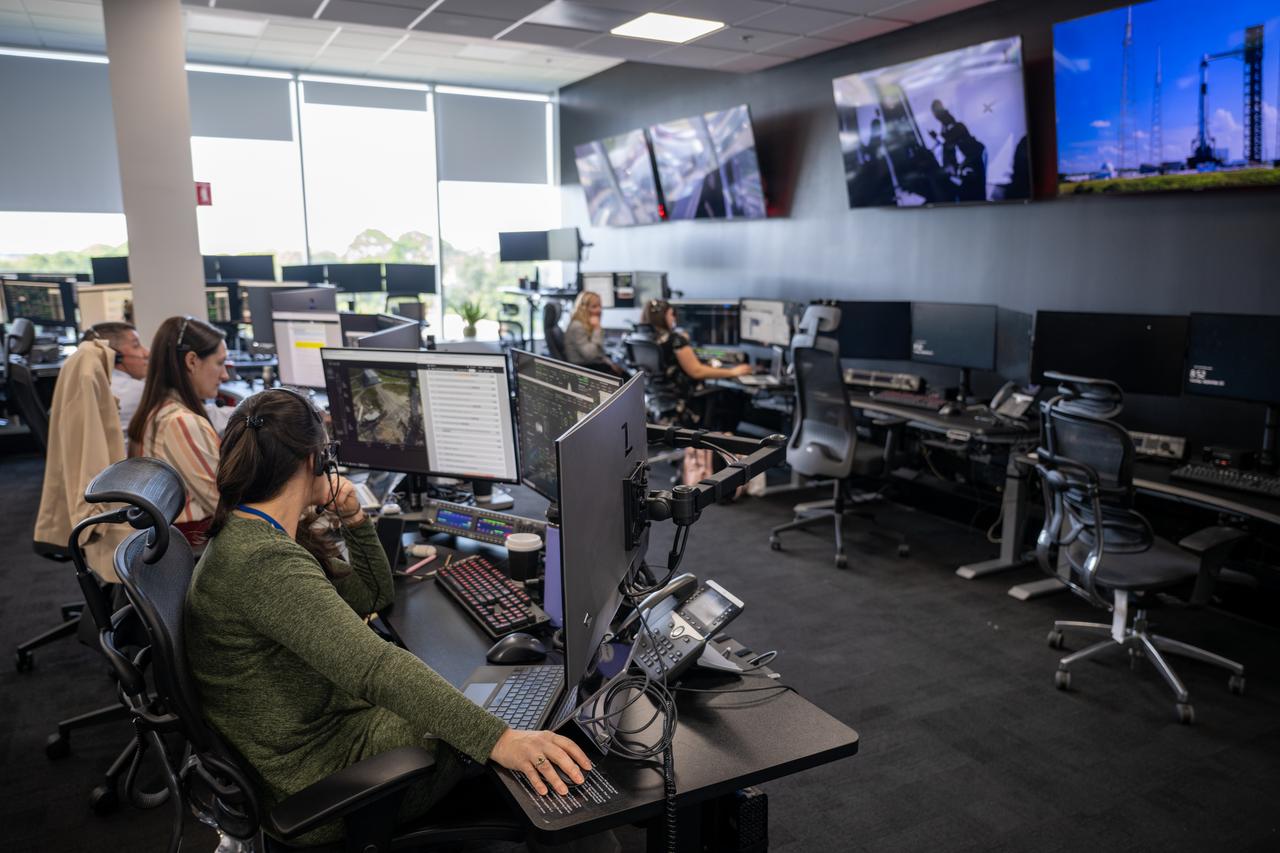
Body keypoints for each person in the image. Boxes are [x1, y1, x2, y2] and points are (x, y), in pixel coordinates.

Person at [185, 389, 593, 846]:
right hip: (320, 776)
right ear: (313, 461)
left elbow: (371, 595)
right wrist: (499, 739)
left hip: (312, 737)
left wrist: (356, 518)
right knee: (527, 732)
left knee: (477, 699)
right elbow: (375, 668)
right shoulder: (263, 563)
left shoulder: (254, 532)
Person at [128, 315, 228, 545]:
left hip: (169, 545)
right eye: (220, 363)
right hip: (196, 548)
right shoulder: (181, 423)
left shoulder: (157, 410)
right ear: (192, 361)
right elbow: (224, 504)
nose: (225, 375)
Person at [640, 299, 750, 431]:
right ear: (663, 317)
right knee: (734, 396)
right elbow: (697, 371)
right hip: (683, 406)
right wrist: (733, 372)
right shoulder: (675, 340)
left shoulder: (638, 337)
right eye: (671, 314)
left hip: (655, 406)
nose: (673, 318)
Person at [82, 321, 149, 442]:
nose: (146, 353)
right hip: (129, 460)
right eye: (136, 345)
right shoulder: (138, 390)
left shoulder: (84, 387)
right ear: (116, 356)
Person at [563, 291, 625, 376]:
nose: (599, 310)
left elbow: (598, 354)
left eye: (600, 306)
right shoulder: (577, 326)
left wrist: (610, 363)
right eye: (594, 306)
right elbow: (591, 355)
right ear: (583, 308)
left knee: (625, 373)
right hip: (584, 368)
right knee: (626, 378)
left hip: (591, 365)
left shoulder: (586, 324)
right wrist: (597, 329)